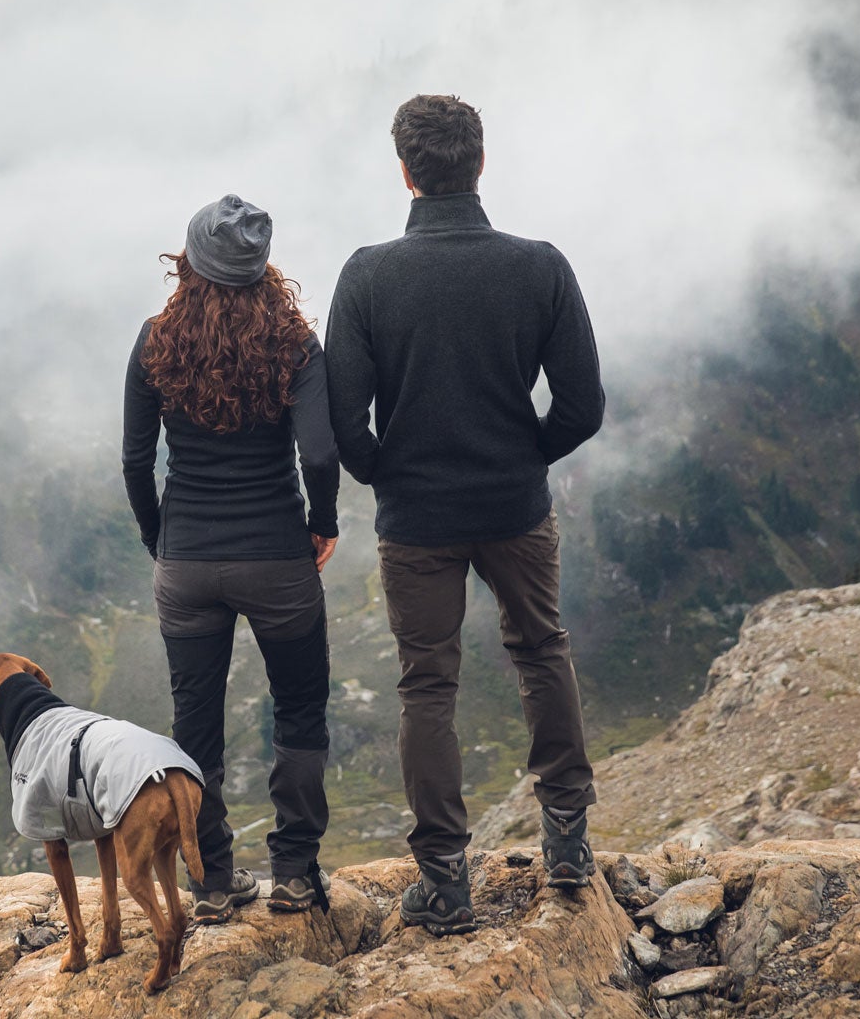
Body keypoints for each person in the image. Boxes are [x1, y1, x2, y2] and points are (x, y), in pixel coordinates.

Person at [325, 95, 605, 936]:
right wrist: (524, 457)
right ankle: (568, 846)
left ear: (405, 171)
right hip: (514, 506)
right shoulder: (540, 266)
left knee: (426, 685)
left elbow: (345, 421)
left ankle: (445, 883)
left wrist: (387, 473)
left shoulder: (368, 275)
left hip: (416, 520)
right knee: (542, 651)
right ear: (479, 164)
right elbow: (582, 406)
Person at [123, 194, 340, 923]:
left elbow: (133, 460)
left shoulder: (156, 341)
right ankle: (296, 874)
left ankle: (213, 880)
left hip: (187, 561)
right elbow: (319, 451)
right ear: (262, 269)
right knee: (301, 712)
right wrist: (323, 522)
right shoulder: (294, 343)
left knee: (195, 725)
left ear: (188, 262)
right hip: (277, 555)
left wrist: (161, 537)